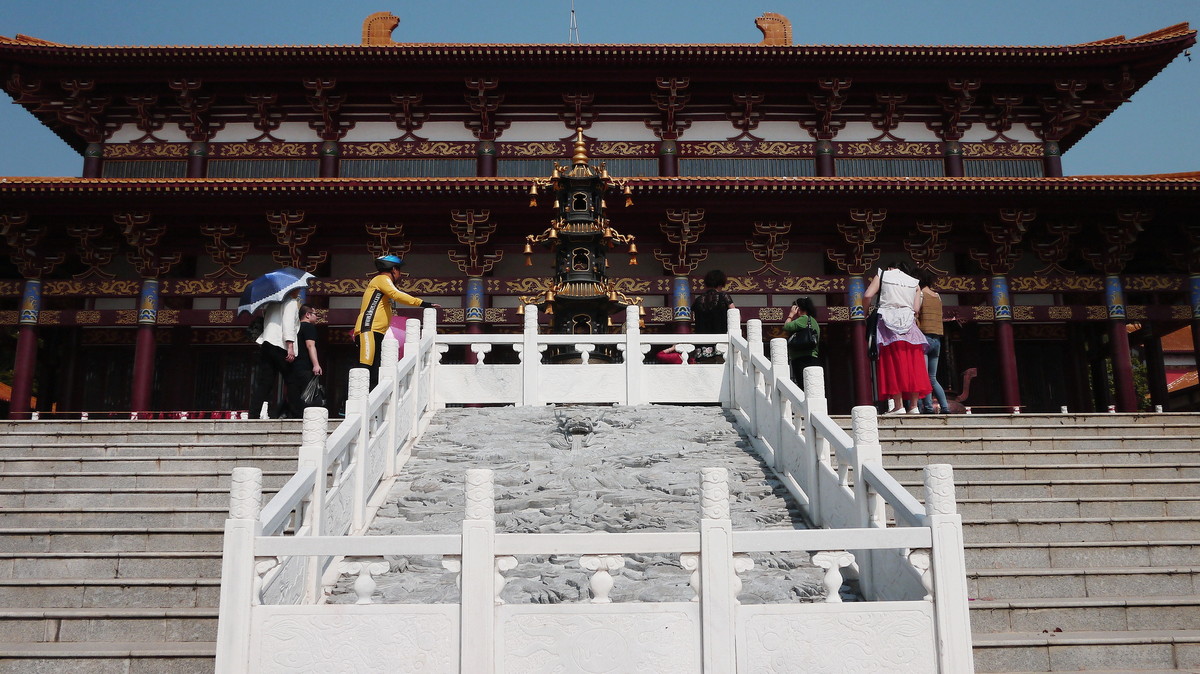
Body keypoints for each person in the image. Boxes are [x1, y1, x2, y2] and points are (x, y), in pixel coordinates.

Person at [354, 255, 441, 389]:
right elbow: (397, 294)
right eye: (399, 271)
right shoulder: (382, 279)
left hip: (376, 331)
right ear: (394, 269)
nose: (400, 274)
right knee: (365, 367)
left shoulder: (380, 282)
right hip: (368, 328)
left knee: (374, 369)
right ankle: (352, 406)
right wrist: (423, 303)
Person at [864, 262, 930, 414]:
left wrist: (865, 312)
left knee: (892, 361)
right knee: (912, 362)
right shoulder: (914, 282)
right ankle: (914, 406)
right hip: (909, 324)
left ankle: (898, 405)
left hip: (887, 321)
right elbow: (916, 309)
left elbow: (868, 295)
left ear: (889, 268)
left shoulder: (882, 275)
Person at [250, 288, 299, 419]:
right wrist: (290, 346)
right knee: (292, 379)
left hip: (267, 343)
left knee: (265, 382)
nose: (299, 292)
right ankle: (296, 413)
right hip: (280, 344)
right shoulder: (291, 302)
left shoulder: (271, 303)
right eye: (297, 289)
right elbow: (288, 324)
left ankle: (253, 414)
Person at [917, 272, 950, 414]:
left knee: (923, 377)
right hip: (937, 339)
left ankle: (928, 407)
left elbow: (916, 312)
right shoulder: (938, 296)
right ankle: (944, 407)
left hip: (924, 338)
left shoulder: (920, 294)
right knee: (932, 378)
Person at [287, 304, 324, 413]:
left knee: (295, 395)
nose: (316, 317)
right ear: (307, 315)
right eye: (315, 314)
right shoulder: (309, 327)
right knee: (309, 396)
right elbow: (310, 346)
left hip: (292, 366)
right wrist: (316, 364)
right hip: (305, 367)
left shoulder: (294, 328)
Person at [692, 269, 736, 360]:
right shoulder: (724, 296)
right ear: (721, 283)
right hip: (721, 340)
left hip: (702, 342)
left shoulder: (698, 300)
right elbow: (735, 314)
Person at [783, 296, 820, 389]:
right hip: (813, 357)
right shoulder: (814, 321)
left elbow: (786, 326)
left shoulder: (803, 319)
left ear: (798, 309)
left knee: (802, 386)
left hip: (801, 358)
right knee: (812, 386)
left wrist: (790, 315)